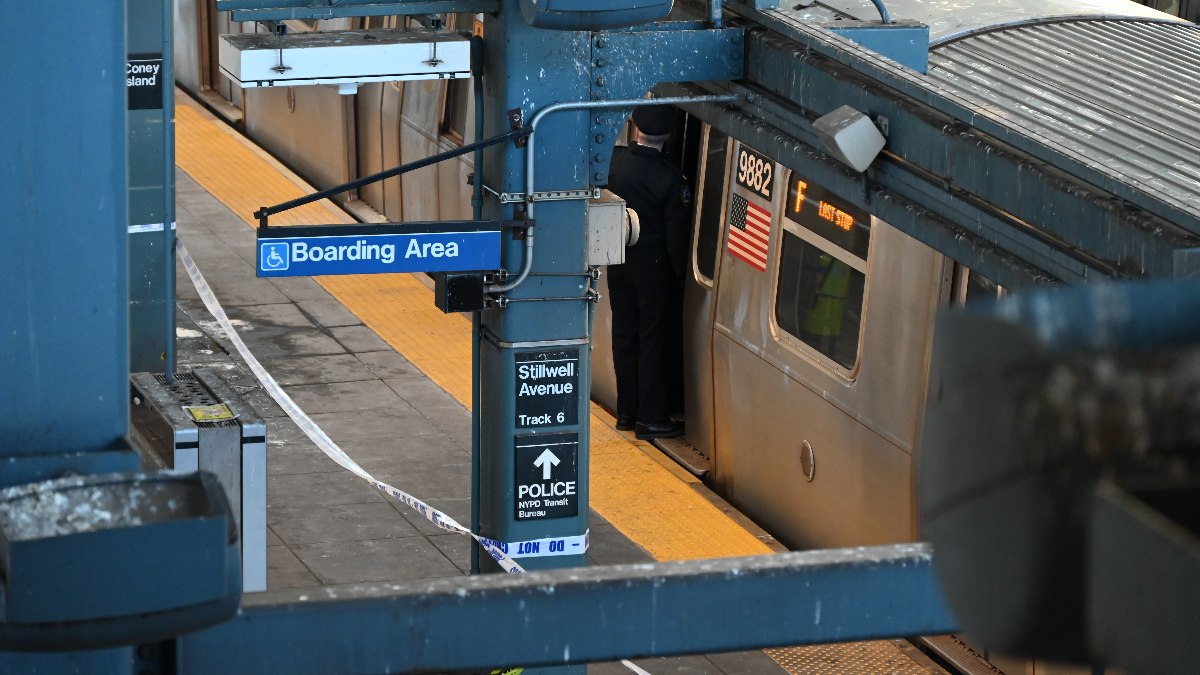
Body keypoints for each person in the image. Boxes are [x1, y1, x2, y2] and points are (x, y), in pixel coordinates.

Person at [605, 105, 692, 440]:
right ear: (668, 135)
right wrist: (680, 280)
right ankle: (651, 417)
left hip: (618, 261)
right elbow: (677, 241)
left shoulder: (615, 161)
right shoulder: (670, 180)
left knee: (625, 336)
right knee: (652, 341)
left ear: (634, 127)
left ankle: (627, 411)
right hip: (654, 271)